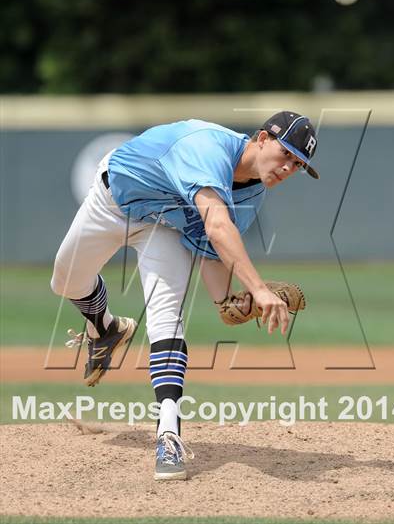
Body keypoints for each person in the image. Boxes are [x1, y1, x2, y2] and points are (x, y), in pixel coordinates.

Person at [50, 111, 319, 481]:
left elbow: (212, 254)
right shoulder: (207, 146)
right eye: (286, 153)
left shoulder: (253, 194)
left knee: (166, 317)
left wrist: (233, 305)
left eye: (298, 165)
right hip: (112, 201)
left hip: (164, 227)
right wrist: (258, 289)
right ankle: (105, 327)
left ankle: (169, 436)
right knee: (66, 281)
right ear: (261, 138)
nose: (289, 167)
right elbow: (216, 223)